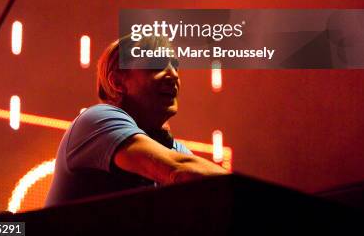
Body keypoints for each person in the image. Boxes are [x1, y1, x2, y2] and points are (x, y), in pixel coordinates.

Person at [45, 34, 227, 206]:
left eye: (175, 66)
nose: (174, 75)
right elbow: (179, 170)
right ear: (117, 82)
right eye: (156, 65)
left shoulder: (175, 150)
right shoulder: (97, 120)